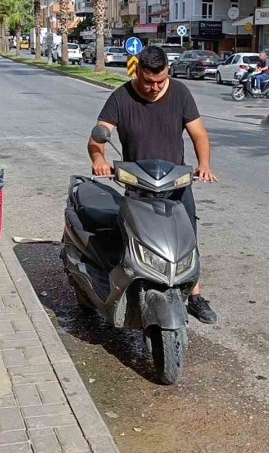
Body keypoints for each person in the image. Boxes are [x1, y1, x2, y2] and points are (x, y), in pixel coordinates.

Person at [87, 46, 220, 324]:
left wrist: (204, 164)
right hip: (138, 184)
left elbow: (199, 135)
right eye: (148, 81)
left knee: (188, 240)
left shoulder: (180, 93)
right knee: (135, 239)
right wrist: (99, 158)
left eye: (161, 81)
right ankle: (133, 287)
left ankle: (194, 296)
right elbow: (97, 138)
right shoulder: (120, 97)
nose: (155, 87)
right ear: (138, 72)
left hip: (176, 183)